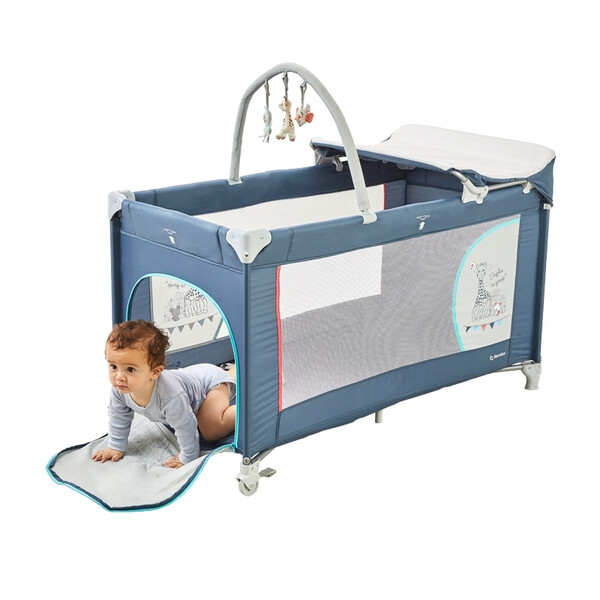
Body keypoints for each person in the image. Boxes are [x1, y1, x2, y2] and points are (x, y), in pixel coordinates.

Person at [91, 320, 236, 469]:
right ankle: (234, 371)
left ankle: (243, 409)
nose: (119, 377)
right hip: (195, 375)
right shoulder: (119, 389)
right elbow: (118, 415)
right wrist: (115, 447)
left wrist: (187, 457)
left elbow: (185, 425)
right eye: (113, 366)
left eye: (130, 369)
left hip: (210, 385)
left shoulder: (170, 395)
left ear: (155, 372)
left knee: (211, 430)